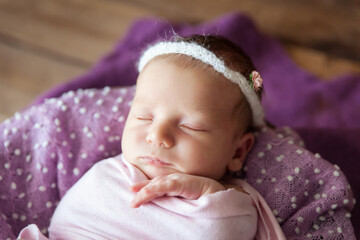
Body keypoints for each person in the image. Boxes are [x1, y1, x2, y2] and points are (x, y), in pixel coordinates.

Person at [18, 35, 285, 240]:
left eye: (191, 127)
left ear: (237, 152)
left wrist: (209, 194)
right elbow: (67, 224)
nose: (157, 136)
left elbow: (229, 230)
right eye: (145, 117)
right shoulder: (108, 179)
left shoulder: (233, 202)